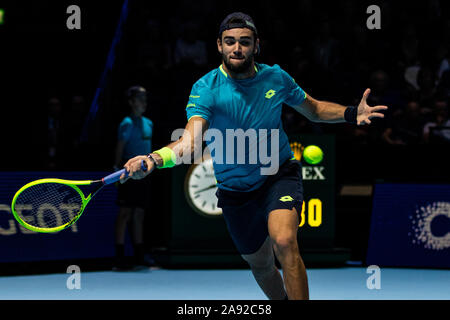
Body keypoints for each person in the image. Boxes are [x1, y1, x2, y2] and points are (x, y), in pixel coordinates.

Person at [120, 13, 388, 299]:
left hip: (278, 174)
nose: (237, 48)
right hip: (235, 191)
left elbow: (314, 109)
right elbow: (189, 141)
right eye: (230, 42)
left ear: (256, 45)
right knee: (260, 266)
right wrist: (153, 159)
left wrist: (350, 113)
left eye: (244, 42)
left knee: (284, 241)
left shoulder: (276, 77)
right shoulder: (205, 89)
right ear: (219, 46)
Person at [113, 86, 154, 270]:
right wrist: (116, 168)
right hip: (127, 172)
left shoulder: (149, 123)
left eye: (145, 98)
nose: (143, 102)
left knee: (139, 213)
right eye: (139, 99)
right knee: (125, 214)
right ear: (131, 102)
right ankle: (119, 257)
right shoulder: (126, 123)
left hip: (144, 173)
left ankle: (139, 256)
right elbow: (120, 147)